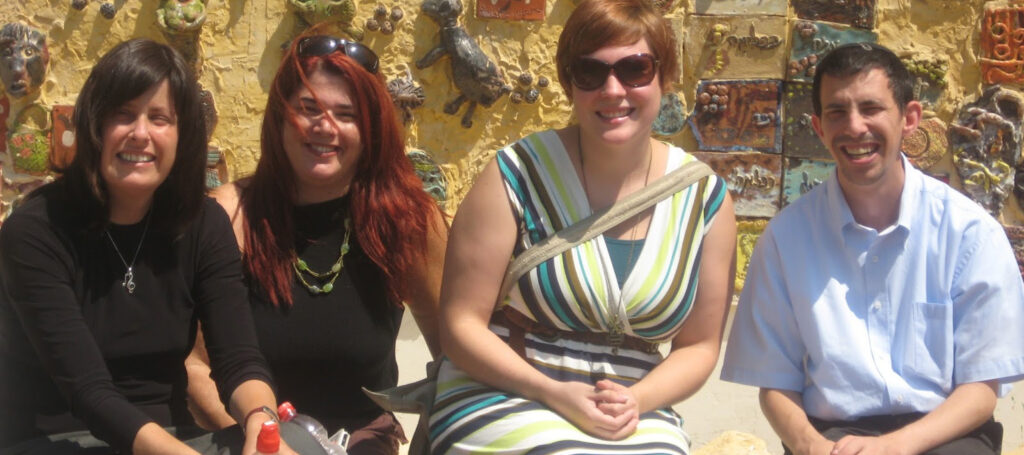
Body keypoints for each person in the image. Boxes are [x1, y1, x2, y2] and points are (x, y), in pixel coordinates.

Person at [427, 0, 737, 452]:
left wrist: (637, 399)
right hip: (508, 388)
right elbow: (460, 324)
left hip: (632, 405)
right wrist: (552, 392)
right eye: (589, 73)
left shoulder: (703, 198)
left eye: (635, 69)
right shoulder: (516, 174)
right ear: (569, 84)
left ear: (665, 78)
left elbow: (700, 346)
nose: (613, 90)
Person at [0, 39, 311, 454]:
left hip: (173, 436)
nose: (140, 134)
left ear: (183, 135)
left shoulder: (203, 224)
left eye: (160, 118)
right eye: (122, 115)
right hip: (57, 438)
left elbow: (238, 360)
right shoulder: (35, 232)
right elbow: (90, 393)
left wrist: (263, 425)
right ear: (94, 125)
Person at [721, 42, 1024, 455]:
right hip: (831, 437)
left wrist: (896, 447)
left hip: (947, 436)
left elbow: (982, 389)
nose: (855, 127)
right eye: (837, 112)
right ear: (818, 127)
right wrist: (810, 446)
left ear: (910, 119)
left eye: (871, 108)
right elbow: (774, 384)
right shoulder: (784, 241)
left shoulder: (970, 234)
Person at [185, 33, 447, 455]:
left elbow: (453, 352)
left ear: (372, 130)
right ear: (279, 117)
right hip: (243, 441)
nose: (325, 127)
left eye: (347, 114)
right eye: (308, 109)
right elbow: (193, 366)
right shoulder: (225, 218)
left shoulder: (408, 222)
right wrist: (260, 440)